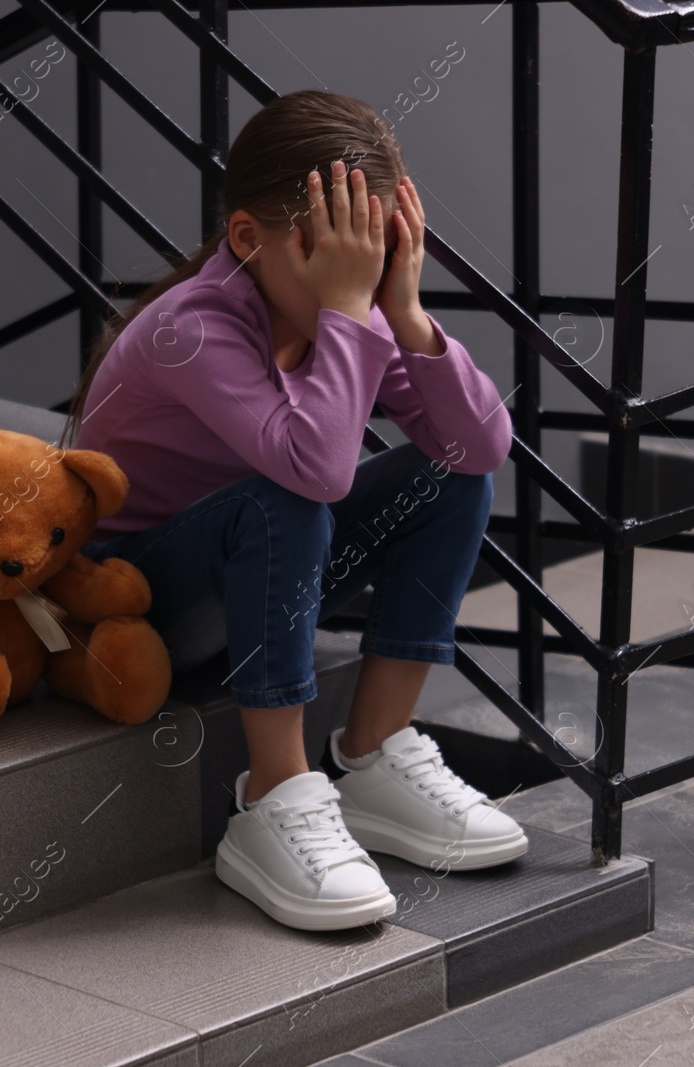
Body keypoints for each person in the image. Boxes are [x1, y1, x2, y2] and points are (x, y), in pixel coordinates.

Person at [60, 89, 528, 932]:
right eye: (336, 252)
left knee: (448, 476)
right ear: (248, 239)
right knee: (289, 498)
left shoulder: (338, 314)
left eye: (375, 249)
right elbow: (314, 468)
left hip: (261, 562)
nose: (359, 273)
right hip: (139, 598)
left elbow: (482, 447)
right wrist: (354, 313)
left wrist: (407, 317)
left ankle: (373, 751)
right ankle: (274, 794)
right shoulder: (192, 330)